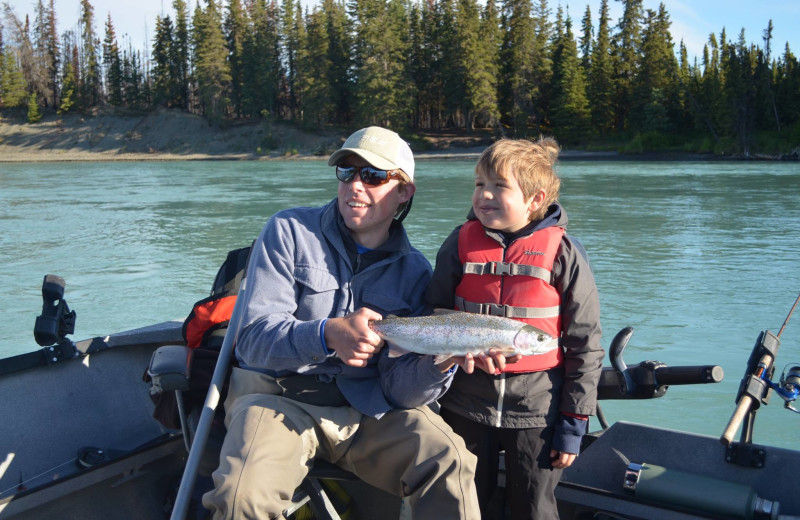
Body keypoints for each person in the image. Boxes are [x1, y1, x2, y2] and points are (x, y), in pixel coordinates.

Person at [202, 126, 483, 519]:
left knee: (450, 461)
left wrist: (441, 362)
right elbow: (252, 340)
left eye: (373, 176)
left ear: (405, 191)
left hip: (369, 409)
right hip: (277, 398)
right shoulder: (288, 231)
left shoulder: (416, 271)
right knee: (240, 498)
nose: (355, 185)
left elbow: (399, 388)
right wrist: (327, 334)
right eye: (347, 172)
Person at [426, 137, 604, 519]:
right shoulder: (457, 244)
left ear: (534, 199)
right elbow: (432, 315)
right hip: (465, 406)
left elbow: (585, 345)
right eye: (479, 184)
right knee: (465, 504)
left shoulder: (565, 253)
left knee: (535, 509)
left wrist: (574, 424)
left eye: (499, 186)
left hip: (537, 413)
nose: (484, 195)